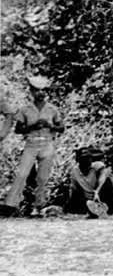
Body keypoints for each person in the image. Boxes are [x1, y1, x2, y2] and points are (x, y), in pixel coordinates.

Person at [2, 75, 64, 217]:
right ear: (31, 91)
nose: (40, 93)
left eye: (43, 90)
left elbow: (61, 127)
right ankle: (10, 205)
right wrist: (32, 126)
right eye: (36, 90)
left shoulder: (52, 109)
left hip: (47, 143)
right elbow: (18, 129)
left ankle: (38, 206)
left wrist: (51, 125)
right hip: (31, 143)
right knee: (22, 173)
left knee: (43, 177)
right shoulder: (25, 109)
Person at [66, 145, 113, 217]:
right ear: (78, 160)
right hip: (91, 199)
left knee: (108, 174)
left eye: (89, 158)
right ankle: (95, 208)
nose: (88, 161)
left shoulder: (97, 166)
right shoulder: (74, 172)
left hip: (104, 195)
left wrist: (97, 191)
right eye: (84, 158)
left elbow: (102, 178)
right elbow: (74, 189)